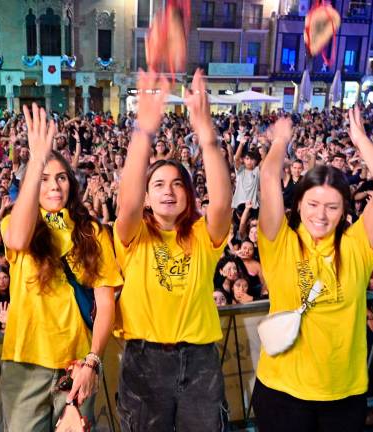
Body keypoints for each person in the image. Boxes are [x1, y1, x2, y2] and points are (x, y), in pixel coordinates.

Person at [252, 105, 373, 431]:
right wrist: (281, 141)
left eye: (332, 207)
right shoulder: (280, 242)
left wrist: (360, 139)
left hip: (343, 394)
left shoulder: (357, 245)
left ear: (344, 210)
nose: (321, 215)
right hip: (281, 391)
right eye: (313, 205)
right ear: (298, 205)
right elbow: (268, 177)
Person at [114, 69, 232, 430]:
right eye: (159, 184)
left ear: (189, 195)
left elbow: (224, 203)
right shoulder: (132, 236)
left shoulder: (201, 235)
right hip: (144, 360)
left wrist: (205, 130)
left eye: (178, 184)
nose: (168, 191)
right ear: (147, 197)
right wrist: (143, 131)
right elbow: (128, 203)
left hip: (200, 362)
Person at [0, 104, 122, 430]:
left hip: (76, 364)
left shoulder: (92, 232)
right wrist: (37, 157)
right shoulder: (16, 223)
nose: (54, 186)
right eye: (43, 179)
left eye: (61, 178)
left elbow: (106, 303)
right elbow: (17, 239)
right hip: (25, 363)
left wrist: (93, 361)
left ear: (72, 184)